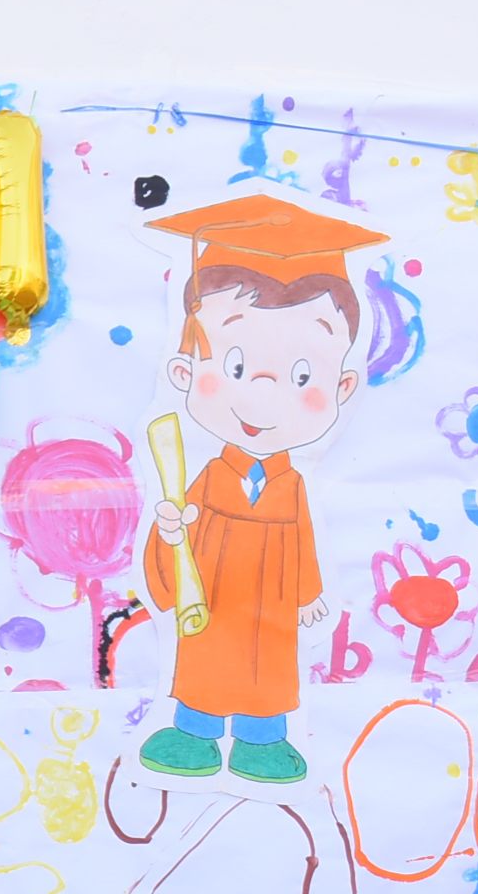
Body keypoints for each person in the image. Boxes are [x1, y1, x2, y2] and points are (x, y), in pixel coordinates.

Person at [136, 194, 385, 786]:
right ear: (184, 373)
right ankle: (193, 729)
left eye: (303, 377)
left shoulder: (292, 485)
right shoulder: (205, 477)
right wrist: (171, 533)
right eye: (239, 366)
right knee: (208, 656)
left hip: (272, 597)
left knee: (269, 663)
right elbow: (175, 536)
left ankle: (261, 739)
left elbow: (302, 544)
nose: (265, 396)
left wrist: (307, 597)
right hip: (216, 590)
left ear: (343, 384)